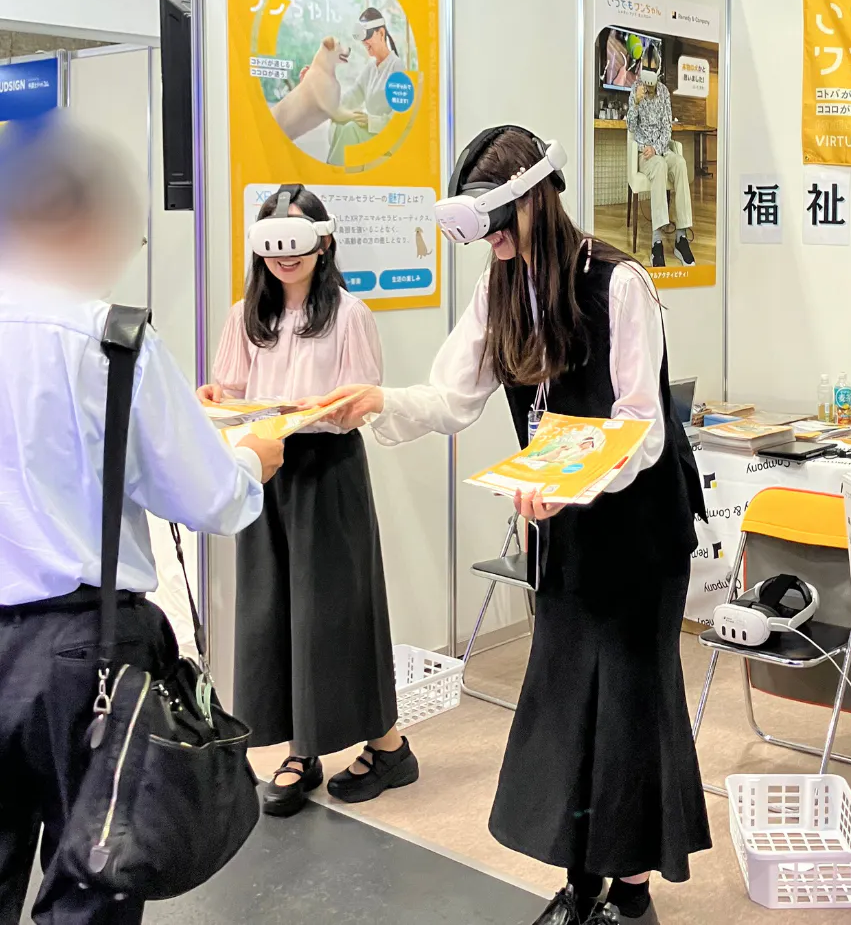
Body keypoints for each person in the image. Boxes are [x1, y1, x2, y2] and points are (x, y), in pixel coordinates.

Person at [313, 125, 711, 925]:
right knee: (566, 703)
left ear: (536, 200)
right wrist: (379, 402)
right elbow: (452, 395)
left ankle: (632, 892)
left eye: (498, 222)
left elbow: (641, 425)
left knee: (629, 704)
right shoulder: (497, 289)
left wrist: (572, 480)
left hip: (638, 529)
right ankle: (582, 882)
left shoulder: (619, 283)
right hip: (559, 527)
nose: (489, 241)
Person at [0, 113, 283, 925]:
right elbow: (209, 498)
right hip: (83, 653)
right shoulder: (112, 342)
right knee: (95, 873)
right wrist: (252, 458)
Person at [198, 184, 415, 817]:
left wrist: (324, 409)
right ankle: (301, 750)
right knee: (272, 611)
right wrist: (217, 397)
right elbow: (232, 389)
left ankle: (389, 747)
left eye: (294, 240)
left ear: (323, 242)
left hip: (328, 470)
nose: (283, 256)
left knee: (338, 610)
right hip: (264, 467)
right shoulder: (245, 316)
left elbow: (361, 401)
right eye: (271, 243)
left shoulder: (350, 314)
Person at [625, 45, 694, 269]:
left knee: (680, 163)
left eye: (652, 69)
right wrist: (636, 103)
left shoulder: (664, 92)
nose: (649, 73)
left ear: (659, 69)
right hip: (644, 154)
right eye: (645, 68)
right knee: (660, 166)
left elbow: (667, 127)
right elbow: (630, 126)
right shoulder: (635, 89)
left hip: (661, 149)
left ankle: (681, 237)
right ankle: (656, 242)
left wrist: (657, 147)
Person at [328, 7, 407, 164]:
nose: (364, 42)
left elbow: (399, 119)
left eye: (368, 35)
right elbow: (353, 94)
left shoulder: (397, 67)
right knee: (340, 125)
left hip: (388, 137)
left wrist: (370, 121)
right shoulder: (370, 68)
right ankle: (333, 171)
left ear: (381, 33)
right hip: (372, 131)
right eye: (362, 37)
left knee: (351, 129)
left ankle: (332, 173)